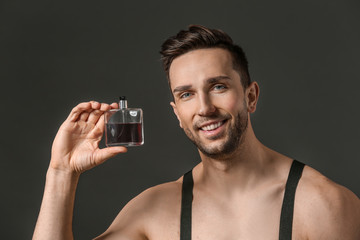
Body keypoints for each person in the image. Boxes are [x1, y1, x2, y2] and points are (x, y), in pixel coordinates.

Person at [33, 25, 360, 240]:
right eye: (186, 94)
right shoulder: (155, 211)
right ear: (177, 113)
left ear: (250, 96)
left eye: (218, 86)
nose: (204, 108)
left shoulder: (322, 205)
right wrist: (61, 172)